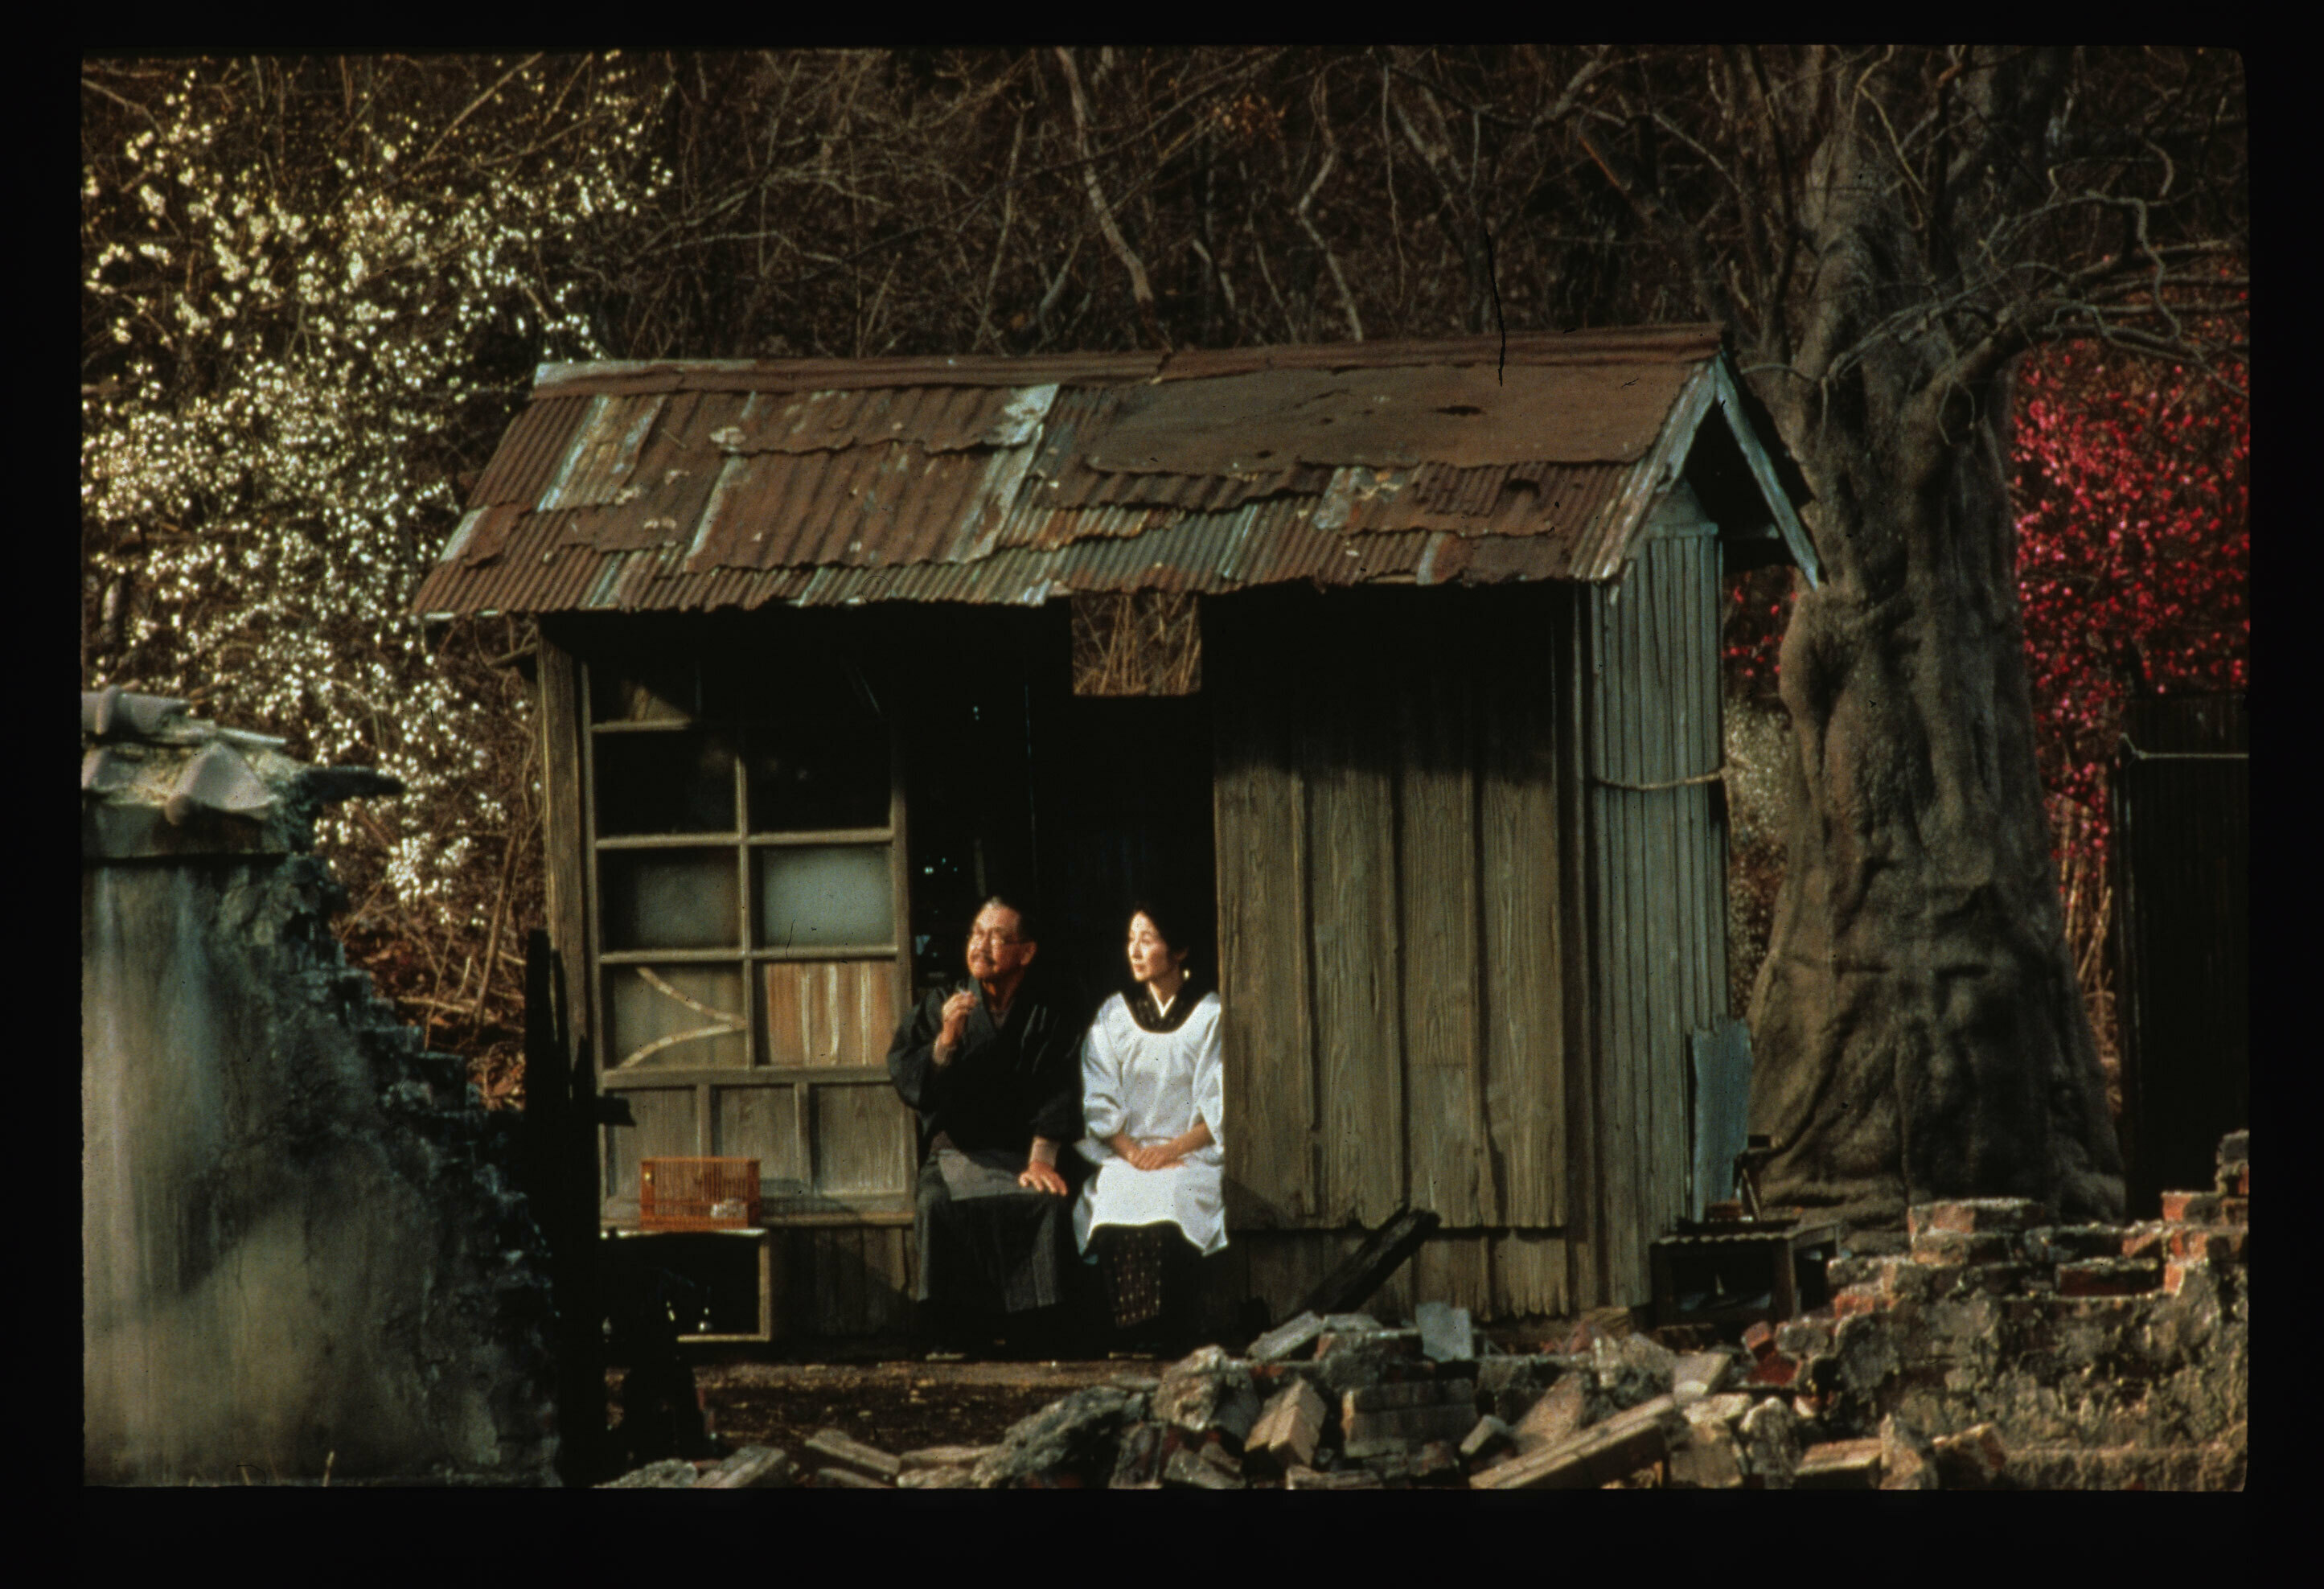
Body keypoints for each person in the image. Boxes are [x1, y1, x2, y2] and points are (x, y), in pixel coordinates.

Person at [886, 897, 1084, 1353]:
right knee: (937, 1203)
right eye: (977, 934)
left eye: (997, 937)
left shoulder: (1046, 1013)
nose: (982, 945)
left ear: (1027, 953)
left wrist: (1042, 1158)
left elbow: (1060, 1085)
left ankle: (1035, 1332)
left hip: (1021, 1153)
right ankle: (954, 1333)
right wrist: (945, 1044)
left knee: (1049, 1206)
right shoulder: (941, 1003)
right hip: (956, 1152)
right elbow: (907, 1072)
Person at [1073, 901, 1226, 1345]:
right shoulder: (1114, 1015)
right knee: (1117, 1192)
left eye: (1148, 938)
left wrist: (1171, 1151)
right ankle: (1126, 1333)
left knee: (1172, 1194)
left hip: (1191, 1154)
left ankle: (1168, 1330)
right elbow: (1098, 1095)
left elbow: (1219, 1107)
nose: (1135, 950)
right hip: (1129, 1152)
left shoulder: (1208, 1015)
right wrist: (1132, 1152)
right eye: (1131, 939)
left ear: (1178, 951)